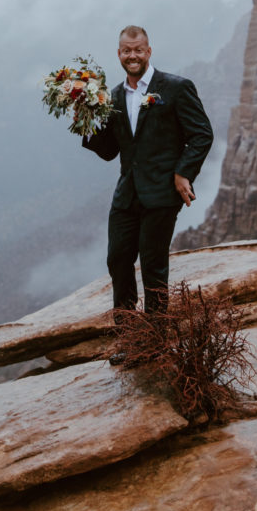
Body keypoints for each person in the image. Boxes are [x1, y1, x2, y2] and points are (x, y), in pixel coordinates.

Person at [83, 26, 213, 320]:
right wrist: (86, 121)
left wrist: (183, 173)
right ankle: (128, 336)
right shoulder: (113, 97)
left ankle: (154, 338)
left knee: (153, 265)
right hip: (127, 193)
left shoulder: (176, 88)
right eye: (127, 51)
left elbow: (202, 134)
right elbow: (109, 152)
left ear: (148, 52)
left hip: (162, 192)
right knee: (117, 260)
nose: (133, 55)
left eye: (138, 50)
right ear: (119, 54)